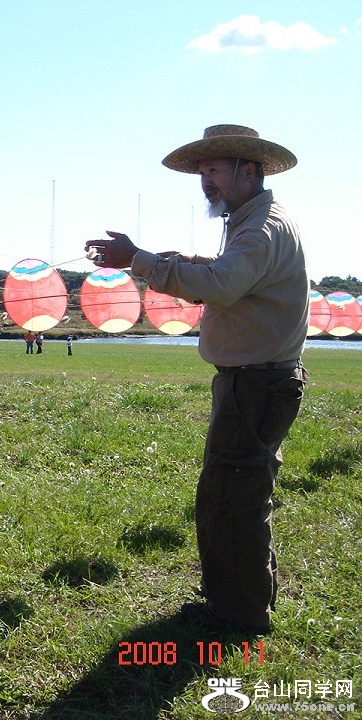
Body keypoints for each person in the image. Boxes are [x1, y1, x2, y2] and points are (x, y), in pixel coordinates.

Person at [85, 124, 308, 635]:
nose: (205, 181)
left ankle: (236, 617)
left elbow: (223, 285)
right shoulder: (254, 221)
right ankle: (247, 601)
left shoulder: (260, 226)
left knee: (230, 497)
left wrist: (138, 261)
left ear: (248, 170)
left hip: (256, 383)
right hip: (259, 381)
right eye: (201, 172)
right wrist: (180, 262)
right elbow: (236, 276)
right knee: (241, 491)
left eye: (214, 170)